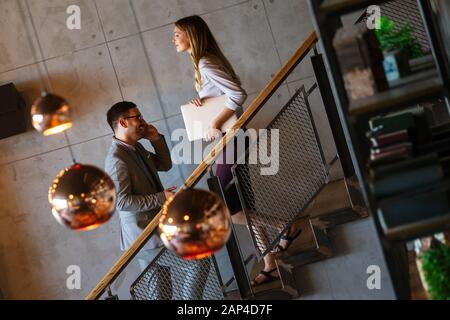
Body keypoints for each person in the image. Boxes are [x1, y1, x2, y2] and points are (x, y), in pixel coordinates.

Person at [172, 15, 302, 286]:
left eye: (177, 34)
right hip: (232, 140)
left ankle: (283, 226)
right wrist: (205, 102)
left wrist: (217, 121)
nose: (173, 39)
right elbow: (224, 94)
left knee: (229, 206)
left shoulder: (206, 62)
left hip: (233, 139)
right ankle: (269, 263)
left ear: (191, 36)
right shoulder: (205, 62)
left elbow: (237, 95)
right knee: (242, 204)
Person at [105, 101, 208, 299]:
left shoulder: (135, 149)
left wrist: (156, 139)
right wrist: (162, 198)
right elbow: (121, 202)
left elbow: (164, 164)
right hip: (143, 237)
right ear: (123, 123)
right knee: (198, 260)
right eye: (138, 117)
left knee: (159, 291)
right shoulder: (117, 159)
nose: (143, 122)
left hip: (153, 232)